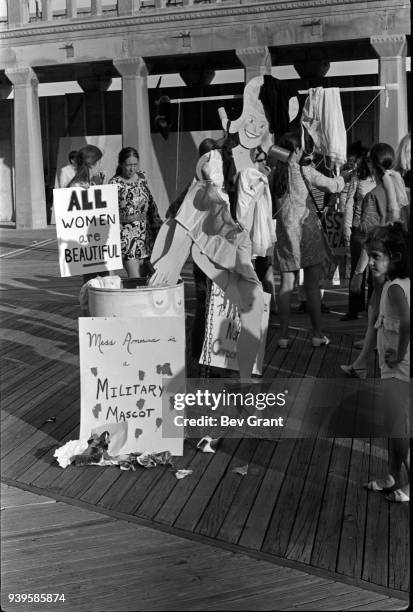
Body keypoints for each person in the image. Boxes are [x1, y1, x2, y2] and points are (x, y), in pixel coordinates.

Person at [272, 131, 345, 348]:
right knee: (313, 287)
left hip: (285, 234)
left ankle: (283, 337)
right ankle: (316, 335)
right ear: (296, 150)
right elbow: (333, 186)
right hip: (308, 232)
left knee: (286, 286)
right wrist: (345, 177)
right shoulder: (305, 170)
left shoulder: (274, 173)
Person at [342, 142, 408, 375]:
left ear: (371, 164)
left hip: (382, 267)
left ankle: (370, 364)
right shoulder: (401, 191)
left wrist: (359, 272)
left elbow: (370, 241)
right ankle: (360, 363)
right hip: (399, 265)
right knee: (378, 312)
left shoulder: (373, 196)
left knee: (379, 313)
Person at [362, 223, 410, 502]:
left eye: (376, 256)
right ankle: (392, 475)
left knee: (397, 426)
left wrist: (400, 354)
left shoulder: (393, 288)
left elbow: (406, 322)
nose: (370, 262)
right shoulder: (399, 284)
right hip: (394, 365)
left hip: (398, 368)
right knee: (392, 422)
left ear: (396, 257)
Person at [109, 147, 162, 278]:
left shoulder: (142, 177)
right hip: (126, 238)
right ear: (121, 164)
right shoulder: (114, 183)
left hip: (146, 236)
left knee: (147, 279)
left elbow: (151, 204)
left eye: (135, 164)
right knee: (135, 279)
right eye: (128, 165)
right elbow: (109, 212)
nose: (132, 169)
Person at [341, 148, 376, 320]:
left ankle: (371, 309)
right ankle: (354, 309)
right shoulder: (357, 178)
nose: (369, 163)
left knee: (374, 271)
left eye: (372, 160)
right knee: (357, 268)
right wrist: (347, 227)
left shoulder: (383, 180)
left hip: (376, 231)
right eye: (367, 160)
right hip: (359, 229)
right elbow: (349, 203)